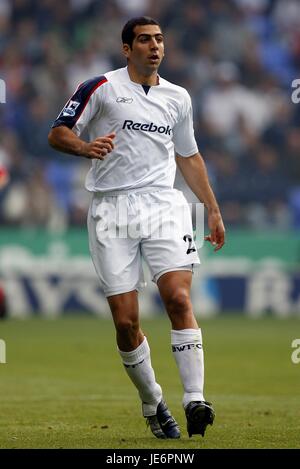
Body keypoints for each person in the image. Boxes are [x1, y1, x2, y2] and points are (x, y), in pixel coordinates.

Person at [48, 16, 225, 439]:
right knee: (126, 323)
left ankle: (195, 400)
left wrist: (213, 210)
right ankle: (152, 402)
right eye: (144, 40)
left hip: (164, 204)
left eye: (159, 39)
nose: (154, 46)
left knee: (179, 297)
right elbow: (57, 133)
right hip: (111, 210)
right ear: (127, 48)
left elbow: (189, 156)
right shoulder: (100, 87)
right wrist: (85, 146)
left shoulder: (178, 97)